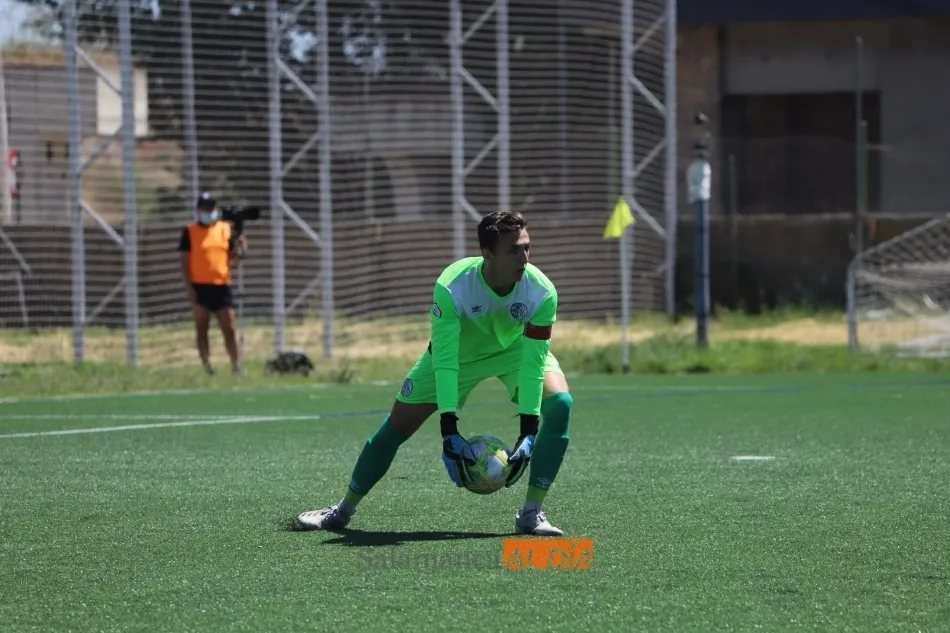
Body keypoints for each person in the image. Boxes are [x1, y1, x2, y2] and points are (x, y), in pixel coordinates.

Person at [296, 211, 574, 536]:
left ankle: (531, 513)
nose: (524, 258)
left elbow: (533, 363)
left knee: (561, 404)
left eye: (526, 247)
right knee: (395, 427)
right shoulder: (453, 286)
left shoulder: (542, 291)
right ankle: (341, 511)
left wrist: (529, 431)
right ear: (487, 254)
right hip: (455, 357)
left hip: (514, 353)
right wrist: (449, 431)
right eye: (513, 250)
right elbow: (445, 360)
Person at [178, 192, 246, 375]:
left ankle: (236, 365)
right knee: (202, 328)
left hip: (222, 285)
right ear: (198, 210)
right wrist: (189, 287)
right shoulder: (190, 232)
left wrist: (240, 245)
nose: (208, 212)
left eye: (211, 208)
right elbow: (184, 261)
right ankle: (207, 366)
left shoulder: (225, 229)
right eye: (205, 209)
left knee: (229, 327)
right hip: (200, 286)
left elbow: (234, 257)